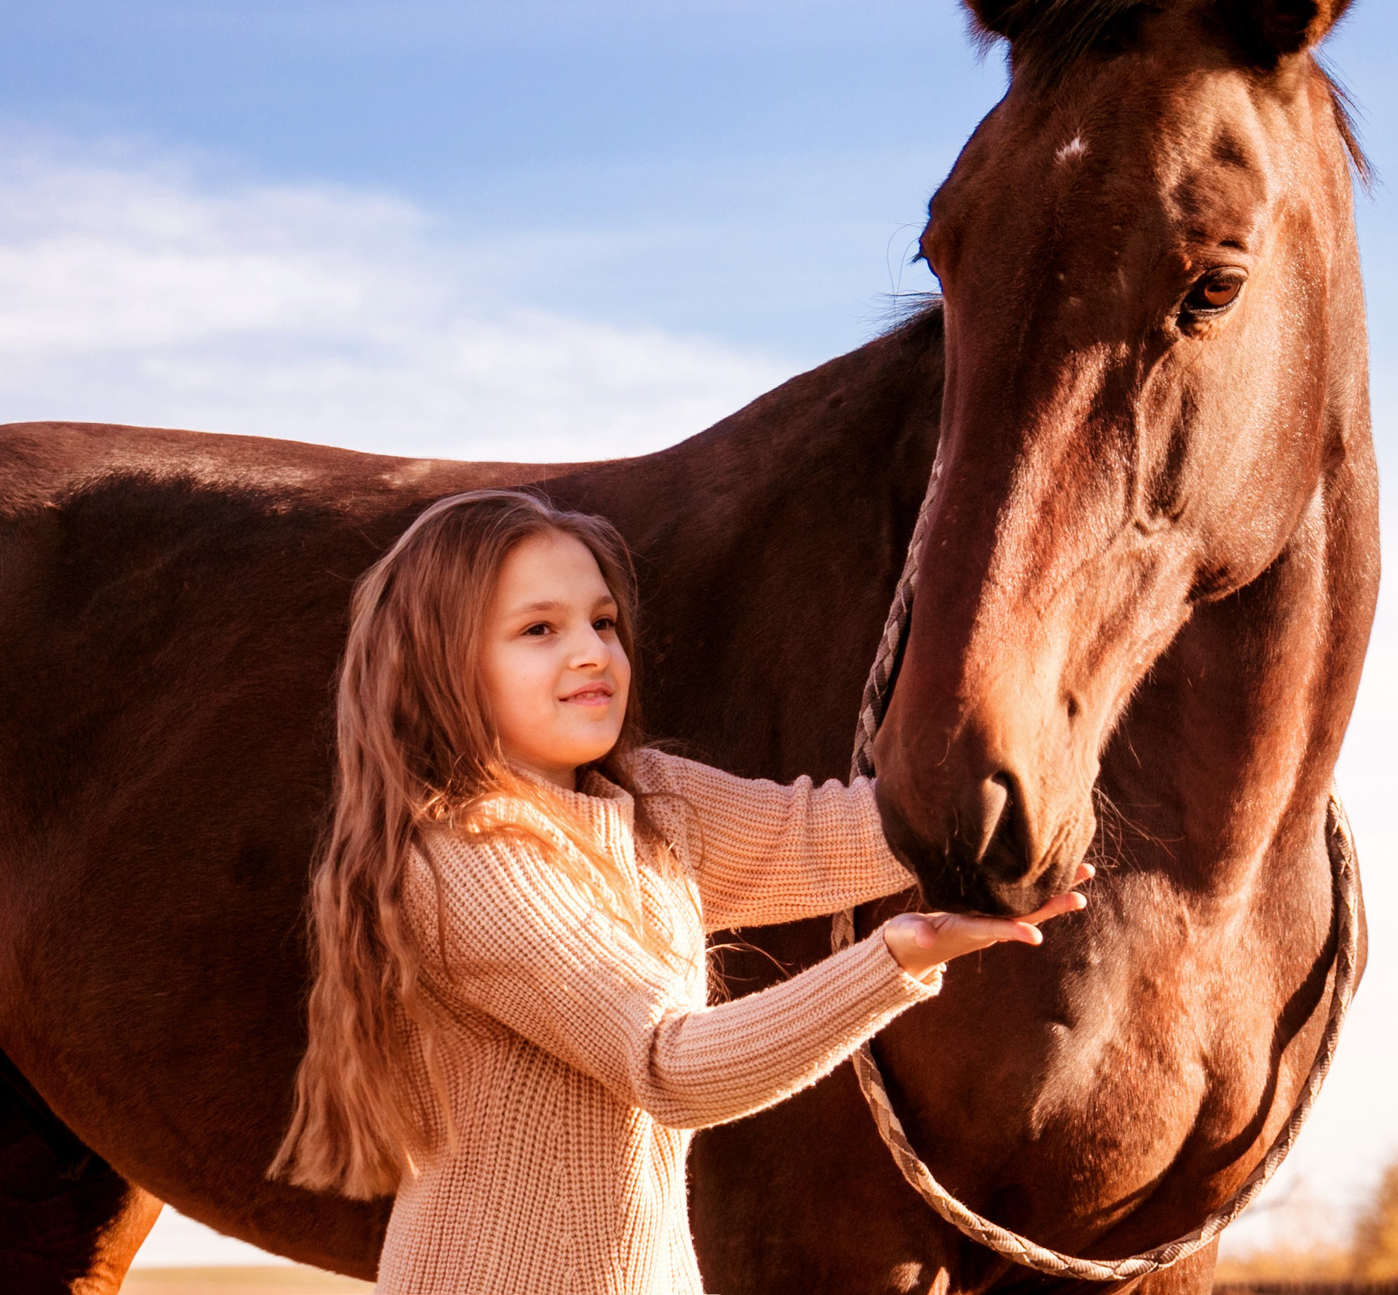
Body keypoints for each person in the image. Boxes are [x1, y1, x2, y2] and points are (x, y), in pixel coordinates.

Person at [270, 487, 1088, 1295]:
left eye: (603, 621)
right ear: (441, 665)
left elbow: (828, 836)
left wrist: (1014, 797)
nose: (592, 651)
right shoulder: (465, 860)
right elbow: (671, 1066)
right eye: (538, 629)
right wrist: (896, 959)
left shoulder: (652, 803)